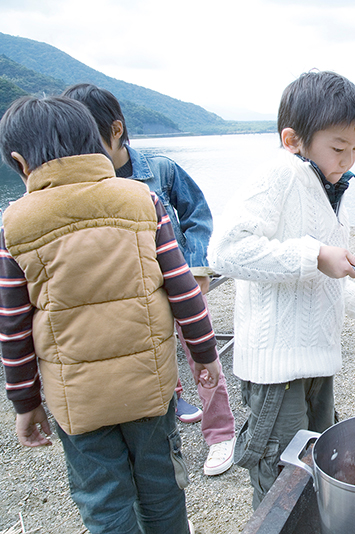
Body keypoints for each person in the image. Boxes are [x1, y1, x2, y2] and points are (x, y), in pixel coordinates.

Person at [0, 95, 221, 533]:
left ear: (20, 163)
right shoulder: (141, 200)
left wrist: (26, 403)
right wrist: (204, 355)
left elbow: (13, 328)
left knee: (104, 502)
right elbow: (183, 290)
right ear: (95, 142)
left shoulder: (15, 224)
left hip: (77, 401)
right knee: (161, 488)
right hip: (150, 387)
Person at [208, 70, 355, 508]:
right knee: (283, 482)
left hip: (318, 362)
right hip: (277, 370)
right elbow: (225, 250)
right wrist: (314, 255)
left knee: (320, 471)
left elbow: (323, 275)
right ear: (293, 140)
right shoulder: (279, 173)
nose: (348, 160)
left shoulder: (330, 189)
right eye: (339, 147)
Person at [61, 83, 237, 477]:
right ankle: (175, 406)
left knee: (202, 355)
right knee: (152, 357)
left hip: (178, 282)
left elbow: (197, 215)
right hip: (132, 294)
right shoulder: (85, 186)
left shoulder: (160, 170)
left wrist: (197, 267)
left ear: (116, 130)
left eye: (87, 140)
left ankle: (221, 432)